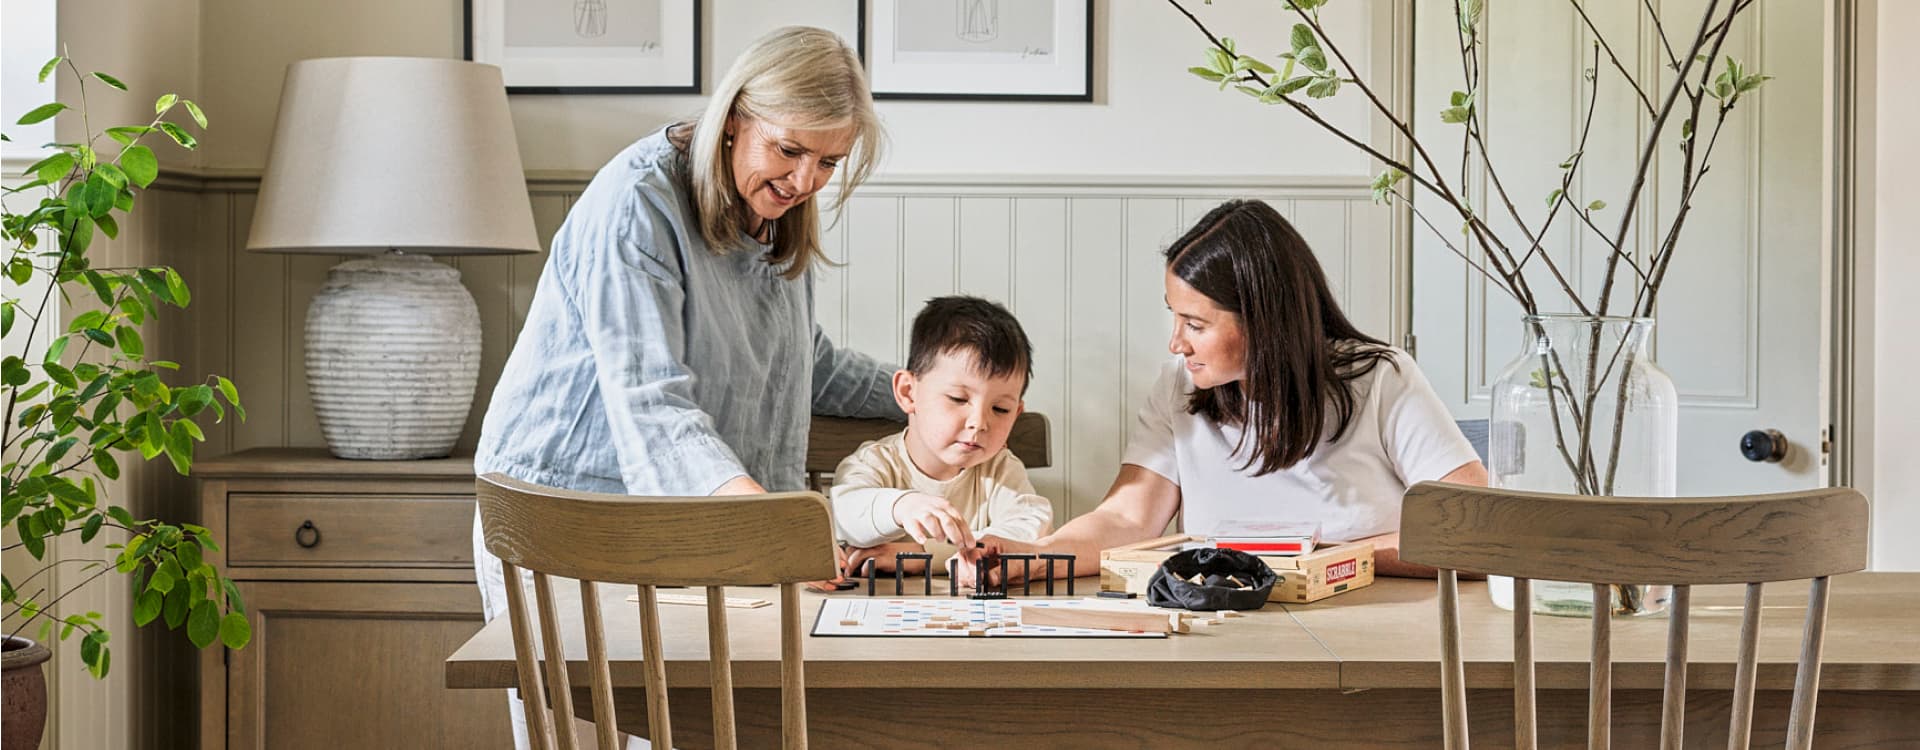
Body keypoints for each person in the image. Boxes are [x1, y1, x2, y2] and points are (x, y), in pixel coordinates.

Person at [469, 27, 902, 748]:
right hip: (572, 521)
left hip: (702, 531)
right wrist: (775, 535)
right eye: (790, 150)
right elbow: (651, 404)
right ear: (734, 117)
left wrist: (927, 394)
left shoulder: (771, 210)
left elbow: (805, 362)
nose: (805, 182)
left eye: (829, 161)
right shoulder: (636, 202)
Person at [975, 199, 1488, 580]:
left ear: (1265, 323)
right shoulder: (1179, 388)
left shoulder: (1379, 378)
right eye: (1174, 318)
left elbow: (1473, 532)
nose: (1176, 343)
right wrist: (1029, 560)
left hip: (1376, 623)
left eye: (1195, 324)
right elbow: (1126, 519)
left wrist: (1333, 559)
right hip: (1225, 625)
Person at [832, 296, 1054, 582]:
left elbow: (1029, 524)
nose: (979, 422)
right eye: (958, 398)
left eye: (1000, 409)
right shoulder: (873, 464)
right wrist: (904, 506)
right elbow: (843, 514)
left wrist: (921, 555)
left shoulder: (1000, 470)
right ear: (909, 393)